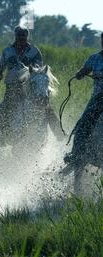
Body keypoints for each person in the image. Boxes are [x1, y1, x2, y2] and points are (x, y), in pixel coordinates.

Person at [0, 26, 44, 146]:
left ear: (27, 36)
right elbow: (0, 65)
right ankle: (0, 136)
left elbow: (39, 68)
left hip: (29, 87)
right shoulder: (7, 51)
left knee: (46, 107)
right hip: (11, 86)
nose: (21, 38)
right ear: (15, 36)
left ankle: (56, 131)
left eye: (23, 36)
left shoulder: (34, 51)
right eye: (19, 35)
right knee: (5, 108)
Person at [64, 32, 103, 167]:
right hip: (98, 99)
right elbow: (83, 71)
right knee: (83, 124)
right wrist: (79, 74)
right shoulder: (95, 58)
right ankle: (76, 153)